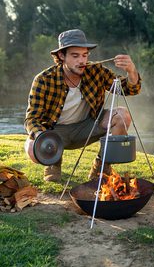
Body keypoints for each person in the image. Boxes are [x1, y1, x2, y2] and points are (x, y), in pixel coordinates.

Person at [24, 29, 141, 182]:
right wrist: (42, 138)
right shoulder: (43, 79)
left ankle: (101, 167)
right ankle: (53, 163)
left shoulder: (95, 71)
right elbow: (31, 119)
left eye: (84, 55)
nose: (81, 61)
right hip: (56, 133)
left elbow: (128, 89)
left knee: (122, 115)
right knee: (32, 146)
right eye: (75, 56)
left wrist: (131, 71)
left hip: (88, 127)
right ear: (61, 56)